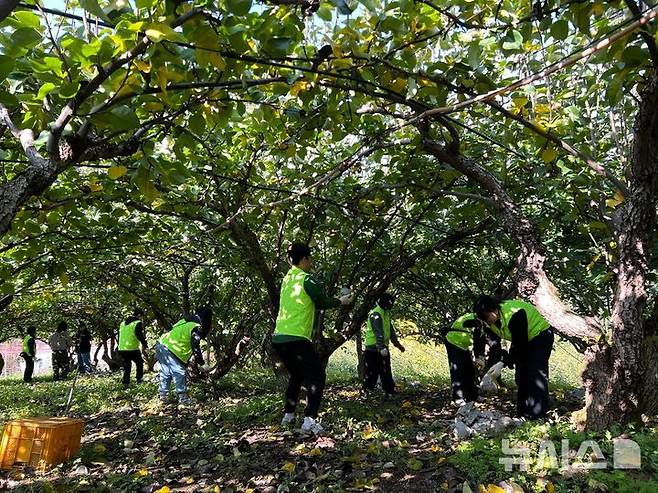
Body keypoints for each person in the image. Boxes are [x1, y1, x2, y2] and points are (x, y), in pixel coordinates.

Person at [272, 242, 354, 435]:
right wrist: (341, 301)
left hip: (279, 337)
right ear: (305, 259)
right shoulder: (306, 279)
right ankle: (309, 419)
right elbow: (322, 301)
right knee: (317, 375)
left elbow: (306, 303)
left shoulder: (287, 279)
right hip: (296, 337)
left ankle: (289, 415)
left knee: (297, 375)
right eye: (310, 259)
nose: (312, 263)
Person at [473, 295, 554, 419]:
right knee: (521, 375)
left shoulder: (515, 314)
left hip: (540, 336)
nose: (486, 321)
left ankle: (539, 415)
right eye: (483, 318)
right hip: (522, 339)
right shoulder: (488, 322)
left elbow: (520, 344)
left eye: (487, 317)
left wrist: (504, 363)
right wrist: (496, 359)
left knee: (535, 373)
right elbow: (494, 344)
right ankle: (523, 413)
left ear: (494, 310)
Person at [155, 307, 212, 404]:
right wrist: (202, 364)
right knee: (179, 372)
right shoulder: (195, 326)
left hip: (161, 344)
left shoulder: (184, 321)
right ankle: (183, 398)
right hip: (172, 349)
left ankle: (163, 396)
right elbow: (195, 345)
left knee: (166, 372)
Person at [362, 293, 405, 397]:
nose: (392, 305)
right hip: (373, 348)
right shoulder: (376, 314)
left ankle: (389, 391)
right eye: (390, 303)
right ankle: (367, 391)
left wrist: (397, 345)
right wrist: (381, 347)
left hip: (382, 347)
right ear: (386, 303)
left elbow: (390, 330)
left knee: (385, 370)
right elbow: (378, 332)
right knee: (372, 371)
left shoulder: (385, 313)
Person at [118, 311, 148, 389]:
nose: (141, 319)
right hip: (132, 348)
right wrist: (145, 345)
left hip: (122, 348)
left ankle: (125, 383)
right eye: (141, 317)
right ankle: (139, 380)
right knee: (139, 363)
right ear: (138, 315)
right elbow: (139, 335)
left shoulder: (122, 323)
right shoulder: (137, 323)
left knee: (127, 366)